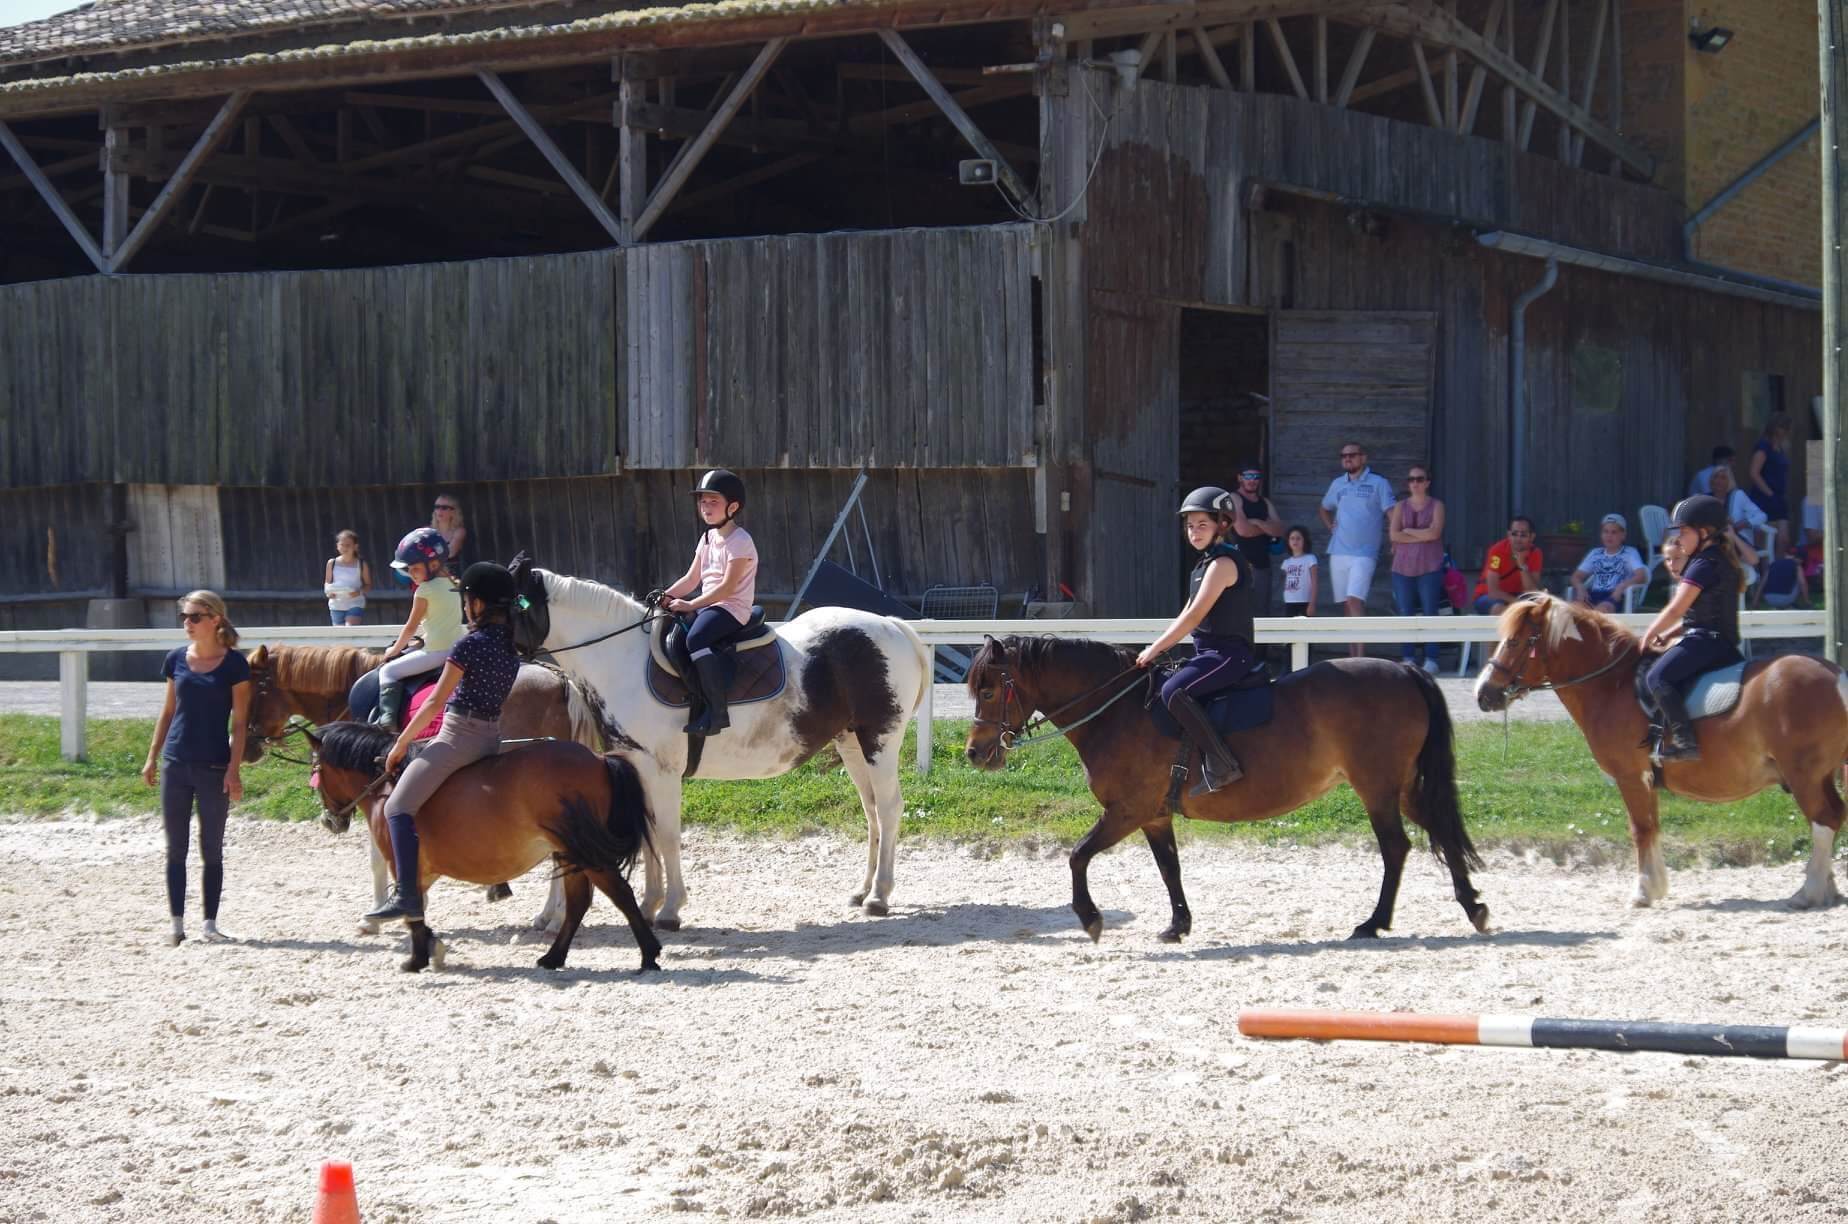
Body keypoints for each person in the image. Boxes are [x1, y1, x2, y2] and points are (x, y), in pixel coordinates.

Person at [366, 562, 525, 923]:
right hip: (491, 738)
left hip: (458, 738)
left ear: (478, 604)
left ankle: (407, 894)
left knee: (396, 808)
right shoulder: (509, 648)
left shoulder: (468, 645)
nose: (465, 606)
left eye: (467, 600)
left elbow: (435, 702)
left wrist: (400, 744)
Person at [141, 590, 251, 947]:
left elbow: (240, 724)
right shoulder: (175, 659)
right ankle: (176, 924)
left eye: (194, 617)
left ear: (215, 619)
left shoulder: (235, 665)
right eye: (184, 617)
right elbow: (168, 711)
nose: (187, 623)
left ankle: (210, 924)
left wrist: (234, 769)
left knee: (211, 849)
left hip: (214, 765)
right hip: (176, 763)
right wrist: (152, 755)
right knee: (176, 848)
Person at [1135, 487, 1256, 795]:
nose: (1194, 531)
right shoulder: (1203, 565)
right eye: (1190, 526)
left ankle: (1222, 765)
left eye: (1202, 524)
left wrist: (1155, 649)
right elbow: (1184, 614)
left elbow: (1194, 617)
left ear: (1222, 524)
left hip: (1230, 655)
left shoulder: (1222, 564)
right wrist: (1157, 645)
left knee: (1173, 690)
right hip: (1209, 653)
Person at [1639, 496, 1748, 763]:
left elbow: (1676, 609)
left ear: (1704, 532)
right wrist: (1669, 634)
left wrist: (1649, 633)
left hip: (1705, 644)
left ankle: (1685, 742)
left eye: (1684, 531)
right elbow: (1698, 615)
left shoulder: (1702, 564)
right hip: (1723, 645)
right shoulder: (1719, 560)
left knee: (1656, 678)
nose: (1679, 538)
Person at [656, 469, 759, 736]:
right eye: (703, 501)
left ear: (733, 507)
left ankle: (718, 712)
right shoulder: (707, 537)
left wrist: (690, 605)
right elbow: (692, 578)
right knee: (673, 637)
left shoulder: (740, 541)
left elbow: (727, 588)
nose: (706, 507)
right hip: (709, 606)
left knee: (696, 639)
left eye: (714, 501)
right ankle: (696, 697)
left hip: (731, 608)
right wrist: (665, 595)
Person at [374, 528, 465, 732]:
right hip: (457, 648)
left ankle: (387, 723)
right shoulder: (453, 584)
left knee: (388, 672)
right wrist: (420, 641)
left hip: (437, 653)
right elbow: (442, 622)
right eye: (409, 569)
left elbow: (410, 627)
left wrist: (394, 650)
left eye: (414, 568)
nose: (410, 574)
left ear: (433, 565)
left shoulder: (424, 591)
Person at [1318, 441, 1395, 657]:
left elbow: (1392, 513)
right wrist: (1330, 526)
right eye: (1344, 456)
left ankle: (1360, 657)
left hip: (1365, 552)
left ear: (1363, 457)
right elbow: (1324, 508)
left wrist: (1395, 540)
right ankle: (1353, 656)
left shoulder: (1379, 483)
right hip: (1338, 551)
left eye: (1352, 455)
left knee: (1355, 599)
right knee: (1346, 604)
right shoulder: (1338, 484)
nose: (1348, 458)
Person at [1387, 464, 1445, 673]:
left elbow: (1435, 534)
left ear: (1427, 482)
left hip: (1429, 566)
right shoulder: (1400, 506)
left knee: (1430, 612)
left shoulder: (1437, 505)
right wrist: (1422, 534)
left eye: (1419, 479)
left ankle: (1431, 658)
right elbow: (1394, 535)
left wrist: (1409, 531)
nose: (1415, 483)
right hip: (1402, 567)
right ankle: (1408, 657)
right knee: (1405, 613)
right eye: (1411, 479)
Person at [1230, 466, 1284, 619]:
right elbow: (1243, 530)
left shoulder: (1265, 502)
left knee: (1261, 612)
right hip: (1239, 565)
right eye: (1248, 476)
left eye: (1256, 477)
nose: (1252, 480)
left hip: (1262, 565)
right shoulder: (1234, 498)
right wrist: (1267, 528)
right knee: (1239, 610)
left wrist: (1257, 522)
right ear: (1240, 478)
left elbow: (1280, 530)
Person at [1568, 513, 1647, 613]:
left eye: (1614, 532)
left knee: (1600, 612)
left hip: (1613, 596)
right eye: (1605, 531)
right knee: (1572, 610)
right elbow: (1575, 577)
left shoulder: (1630, 553)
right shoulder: (1595, 553)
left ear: (1623, 535)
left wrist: (1622, 586)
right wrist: (1580, 588)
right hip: (1592, 594)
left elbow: (1642, 576)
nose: (1609, 536)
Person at [1473, 516, 1543, 615]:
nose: (1518, 539)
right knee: (1500, 609)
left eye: (1523, 535)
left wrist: (1521, 564)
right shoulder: (1496, 552)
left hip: (1518, 597)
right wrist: (1518, 603)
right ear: (1509, 535)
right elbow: (1493, 592)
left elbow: (1532, 591)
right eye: (1514, 534)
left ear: (1532, 537)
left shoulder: (1536, 553)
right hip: (1489, 597)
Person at [1746, 412, 1792, 557]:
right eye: (1782, 427)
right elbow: (1754, 473)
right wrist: (1770, 493)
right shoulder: (1764, 447)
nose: (1784, 431)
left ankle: (1777, 567)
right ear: (1774, 427)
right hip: (1764, 497)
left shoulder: (1782, 448)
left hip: (1779, 497)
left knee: (1783, 539)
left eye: (1786, 427)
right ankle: (1764, 569)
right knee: (1763, 539)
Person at [323, 529, 371, 627]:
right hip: (336, 604)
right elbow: (327, 583)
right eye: (342, 545)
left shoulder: (361, 564)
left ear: (355, 546)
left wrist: (358, 592)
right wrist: (328, 593)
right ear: (337, 546)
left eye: (348, 545)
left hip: (355, 602)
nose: (345, 548)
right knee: (339, 633)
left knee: (350, 628)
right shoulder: (332, 563)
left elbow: (368, 585)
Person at [1755, 541, 1809, 609]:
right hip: (1785, 598)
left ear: (1786, 555)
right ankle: (1790, 605)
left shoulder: (1773, 564)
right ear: (1801, 559)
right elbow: (1803, 583)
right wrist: (1807, 601)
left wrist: (1755, 602)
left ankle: (1779, 606)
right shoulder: (1797, 566)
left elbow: (1762, 584)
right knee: (1800, 581)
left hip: (1768, 598)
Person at [1280, 525, 1318, 616]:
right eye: (1292, 538)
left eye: (1298, 538)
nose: (1295, 541)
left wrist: (1312, 603)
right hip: (1290, 601)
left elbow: (1315, 582)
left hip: (1305, 600)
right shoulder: (1286, 562)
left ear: (1304, 541)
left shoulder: (1310, 559)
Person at [430, 492, 467, 568]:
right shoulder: (427, 530)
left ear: (453, 511)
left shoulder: (459, 531)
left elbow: (449, 554)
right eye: (437, 507)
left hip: (452, 572)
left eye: (444, 508)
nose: (439, 510)